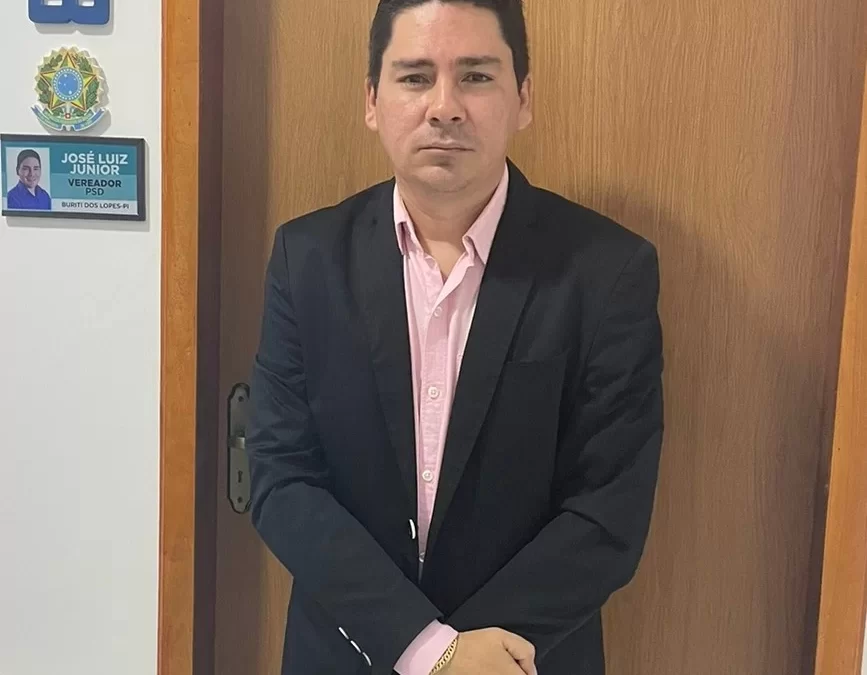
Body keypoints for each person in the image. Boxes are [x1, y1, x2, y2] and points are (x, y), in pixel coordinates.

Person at [247, 1, 664, 674]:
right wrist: (430, 651)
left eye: (475, 76)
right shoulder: (308, 259)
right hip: (346, 653)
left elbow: (608, 508)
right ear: (372, 100)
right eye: (415, 77)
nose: (444, 107)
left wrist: (472, 658)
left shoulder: (607, 272)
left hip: (522, 660)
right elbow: (281, 478)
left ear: (522, 98)